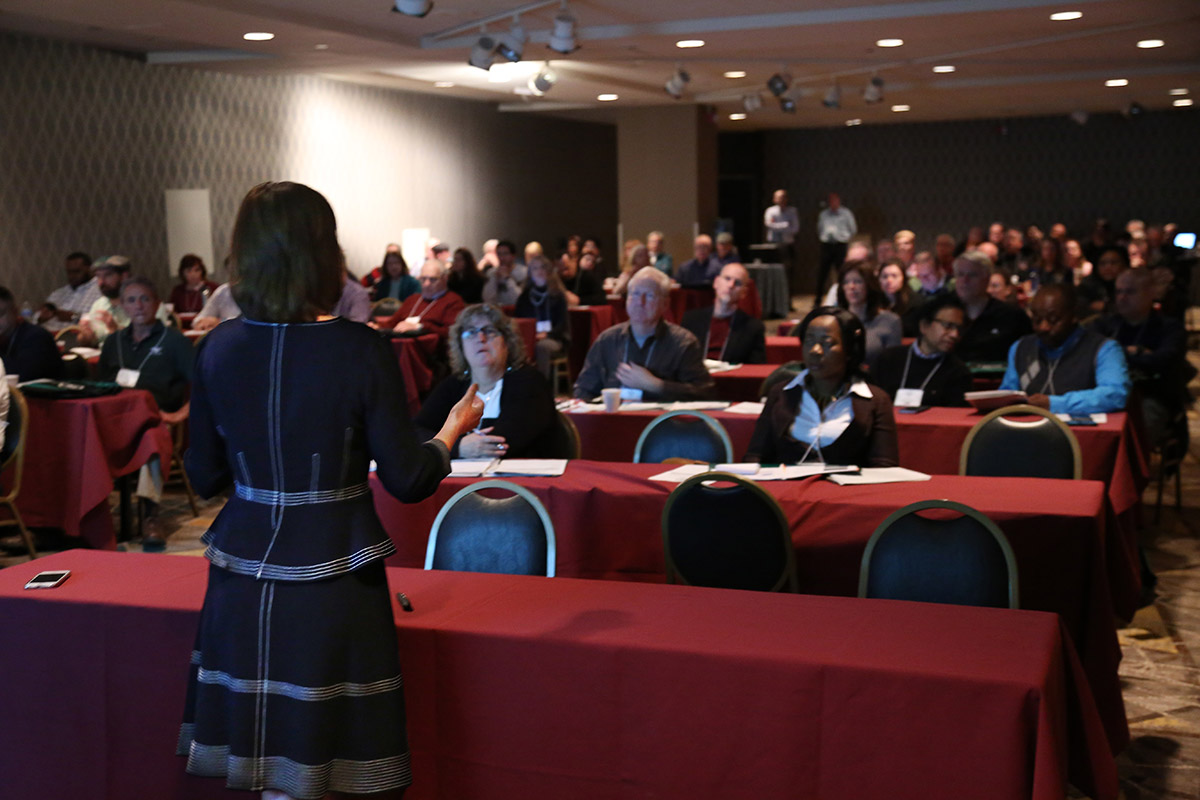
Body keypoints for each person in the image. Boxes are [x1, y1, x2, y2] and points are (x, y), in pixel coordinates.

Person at [179, 181, 484, 800]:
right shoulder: (361, 348)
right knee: (326, 757)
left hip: (242, 572)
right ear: (324, 252)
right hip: (334, 571)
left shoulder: (217, 348)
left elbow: (204, 475)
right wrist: (450, 432)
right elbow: (408, 478)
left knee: (267, 759)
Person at [96, 276, 195, 544]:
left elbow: (204, 386)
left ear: (157, 303)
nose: (138, 306)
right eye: (131, 300)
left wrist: (179, 415)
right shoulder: (113, 342)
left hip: (155, 420)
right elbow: (99, 387)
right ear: (122, 306)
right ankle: (91, 518)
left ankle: (151, 515)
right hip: (114, 421)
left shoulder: (175, 341)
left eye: (145, 299)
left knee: (151, 439)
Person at [746, 306, 898, 467]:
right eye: (809, 341)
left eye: (827, 343)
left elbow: (885, 467)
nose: (815, 350)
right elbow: (755, 457)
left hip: (847, 484)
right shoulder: (781, 393)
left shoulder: (876, 401)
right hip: (787, 483)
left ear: (849, 351)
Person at [415, 304, 557, 459]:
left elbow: (506, 441)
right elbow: (416, 432)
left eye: (489, 331)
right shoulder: (453, 384)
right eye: (471, 332)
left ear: (507, 342)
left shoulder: (529, 381)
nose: (481, 339)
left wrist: (446, 445)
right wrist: (459, 447)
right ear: (461, 346)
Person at [574, 267, 713, 402]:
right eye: (635, 294)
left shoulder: (683, 343)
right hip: (613, 416)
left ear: (665, 304)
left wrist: (656, 385)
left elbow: (704, 393)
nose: (640, 302)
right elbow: (583, 390)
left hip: (661, 418)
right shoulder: (607, 340)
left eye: (649, 296)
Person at [1091, 268, 1192, 446]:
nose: (1122, 297)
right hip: (1104, 395)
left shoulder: (1169, 328)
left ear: (1150, 293)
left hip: (1151, 397)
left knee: (1133, 438)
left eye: (1130, 292)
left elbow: (1162, 361)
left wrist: (1113, 355)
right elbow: (1088, 355)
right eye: (1119, 291)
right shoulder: (1104, 325)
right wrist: (1137, 352)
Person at [999, 283, 1130, 415]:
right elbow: (1007, 396)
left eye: (1053, 319)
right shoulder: (1020, 347)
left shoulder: (1104, 349)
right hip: (1028, 426)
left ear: (1074, 316)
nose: (1044, 327)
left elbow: (1115, 395)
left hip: (1083, 427)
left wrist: (1054, 403)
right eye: (1037, 320)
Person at [871, 295, 973, 408]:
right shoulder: (888, 359)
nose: (955, 334)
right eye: (948, 326)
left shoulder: (958, 372)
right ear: (924, 326)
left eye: (959, 329)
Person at [953, 251, 1032, 364]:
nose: (965, 281)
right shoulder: (940, 310)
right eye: (960, 274)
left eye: (972, 275)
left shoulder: (1012, 316)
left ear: (987, 279)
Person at [680, 263, 766, 364]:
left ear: (744, 293)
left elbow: (756, 367)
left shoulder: (753, 327)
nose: (731, 285)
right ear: (716, 282)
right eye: (727, 278)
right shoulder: (691, 320)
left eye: (737, 283)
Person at [826, 260, 901, 369]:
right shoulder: (834, 320)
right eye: (846, 282)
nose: (851, 286)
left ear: (869, 285)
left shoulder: (890, 321)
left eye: (857, 281)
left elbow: (893, 364)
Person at [81, 256, 171, 345]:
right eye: (98, 276)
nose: (101, 282)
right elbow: (94, 341)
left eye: (108, 275)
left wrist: (117, 331)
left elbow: (156, 342)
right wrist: (87, 337)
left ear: (124, 276)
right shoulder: (98, 305)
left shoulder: (148, 305)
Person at [379, 259, 466, 344]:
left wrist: (421, 326)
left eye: (433, 279)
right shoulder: (412, 299)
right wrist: (376, 326)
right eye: (423, 279)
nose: (426, 284)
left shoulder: (453, 301)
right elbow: (391, 323)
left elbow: (451, 333)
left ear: (445, 278)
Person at [514, 257, 570, 379]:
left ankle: (541, 381)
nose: (539, 271)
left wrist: (547, 334)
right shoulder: (524, 297)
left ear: (548, 271)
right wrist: (532, 334)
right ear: (530, 273)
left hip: (554, 337)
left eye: (542, 267)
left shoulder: (558, 295)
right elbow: (519, 321)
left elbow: (562, 324)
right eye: (535, 268)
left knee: (542, 346)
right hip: (530, 337)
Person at [0, 286, 63, 381]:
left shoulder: (37, 337)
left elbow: (20, 376)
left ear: (15, 312)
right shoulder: (4, 337)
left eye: (0, 314)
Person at [40, 251, 100, 332]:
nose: (72, 276)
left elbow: (101, 321)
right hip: (47, 334)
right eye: (69, 272)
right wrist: (42, 317)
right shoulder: (58, 293)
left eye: (76, 271)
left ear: (89, 269)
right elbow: (35, 319)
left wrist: (74, 317)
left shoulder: (100, 290)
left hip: (76, 335)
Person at [814, 192, 855, 297]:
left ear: (839, 201)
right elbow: (819, 229)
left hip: (840, 245)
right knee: (822, 273)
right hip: (826, 245)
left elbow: (853, 229)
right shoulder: (823, 214)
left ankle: (843, 297)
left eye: (835, 200)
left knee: (841, 272)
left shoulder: (846, 213)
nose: (833, 203)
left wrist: (844, 237)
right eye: (831, 201)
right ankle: (818, 299)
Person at [878, 258, 923, 336]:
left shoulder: (916, 302)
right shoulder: (875, 302)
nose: (889, 280)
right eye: (885, 276)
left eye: (894, 276)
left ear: (903, 278)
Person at [1078, 246, 1127, 318]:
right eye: (1102, 263)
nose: (1108, 267)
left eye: (1113, 263)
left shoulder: (1131, 285)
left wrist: (1107, 307)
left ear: (1124, 265)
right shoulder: (1087, 285)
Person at [481, 240, 523, 306]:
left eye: (505, 254)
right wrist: (494, 279)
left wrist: (507, 279)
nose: (502, 258)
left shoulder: (523, 272)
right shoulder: (491, 272)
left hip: (515, 308)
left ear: (513, 256)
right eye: (499, 254)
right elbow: (487, 299)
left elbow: (520, 299)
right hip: (497, 309)